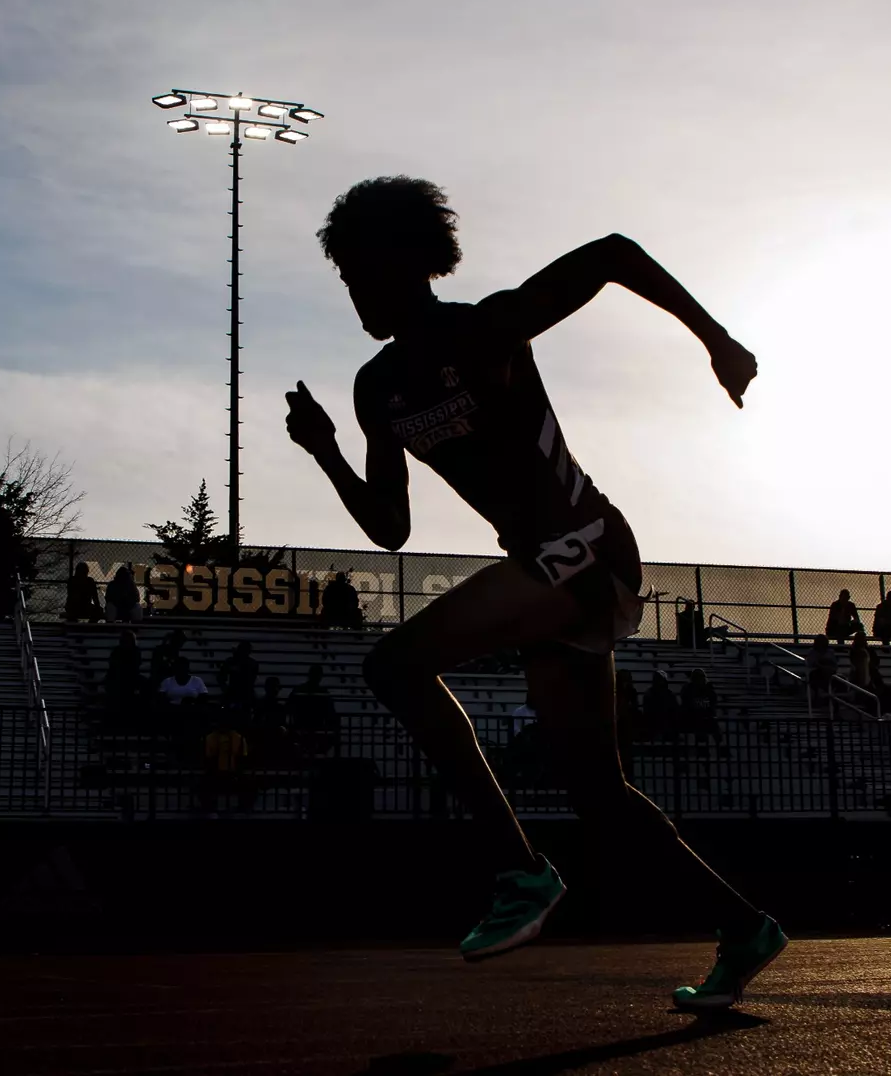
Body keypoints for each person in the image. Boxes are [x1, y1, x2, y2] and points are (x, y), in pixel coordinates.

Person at [284, 176, 780, 1008]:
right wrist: (326, 450)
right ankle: (745, 926)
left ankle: (521, 872)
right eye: (343, 279)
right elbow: (392, 529)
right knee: (600, 794)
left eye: (360, 271)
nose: (353, 292)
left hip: (587, 548)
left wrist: (715, 339)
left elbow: (614, 255)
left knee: (395, 667)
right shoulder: (377, 389)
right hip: (551, 574)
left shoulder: (485, 330)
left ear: (410, 260)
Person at [288, 664, 341, 756]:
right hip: (314, 727)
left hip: (303, 726)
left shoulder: (300, 690)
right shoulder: (322, 693)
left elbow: (289, 706)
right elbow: (330, 713)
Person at [103, 630, 143, 717]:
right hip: (118, 682)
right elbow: (113, 666)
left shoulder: (135, 651)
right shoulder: (117, 651)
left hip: (129, 682)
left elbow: (136, 666)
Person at [218, 641, 260, 714]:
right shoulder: (252, 663)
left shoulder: (252, 664)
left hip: (243, 695)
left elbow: (251, 680)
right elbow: (221, 677)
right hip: (238, 695)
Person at [678, 668, 720, 736]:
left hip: (704, 719)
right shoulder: (688, 689)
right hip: (691, 719)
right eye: (697, 678)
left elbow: (712, 703)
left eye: (700, 678)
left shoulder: (708, 689)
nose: (699, 681)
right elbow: (686, 704)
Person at [641, 670, 679, 736]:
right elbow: (647, 712)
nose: (661, 683)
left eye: (662, 680)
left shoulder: (670, 694)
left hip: (666, 722)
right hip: (654, 722)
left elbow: (675, 710)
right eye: (659, 680)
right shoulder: (649, 694)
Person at [805, 633, 837, 709]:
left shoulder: (830, 652)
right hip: (817, 673)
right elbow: (810, 663)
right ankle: (820, 697)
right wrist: (820, 664)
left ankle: (831, 700)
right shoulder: (813, 652)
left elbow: (834, 665)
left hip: (829, 673)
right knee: (816, 676)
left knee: (839, 679)